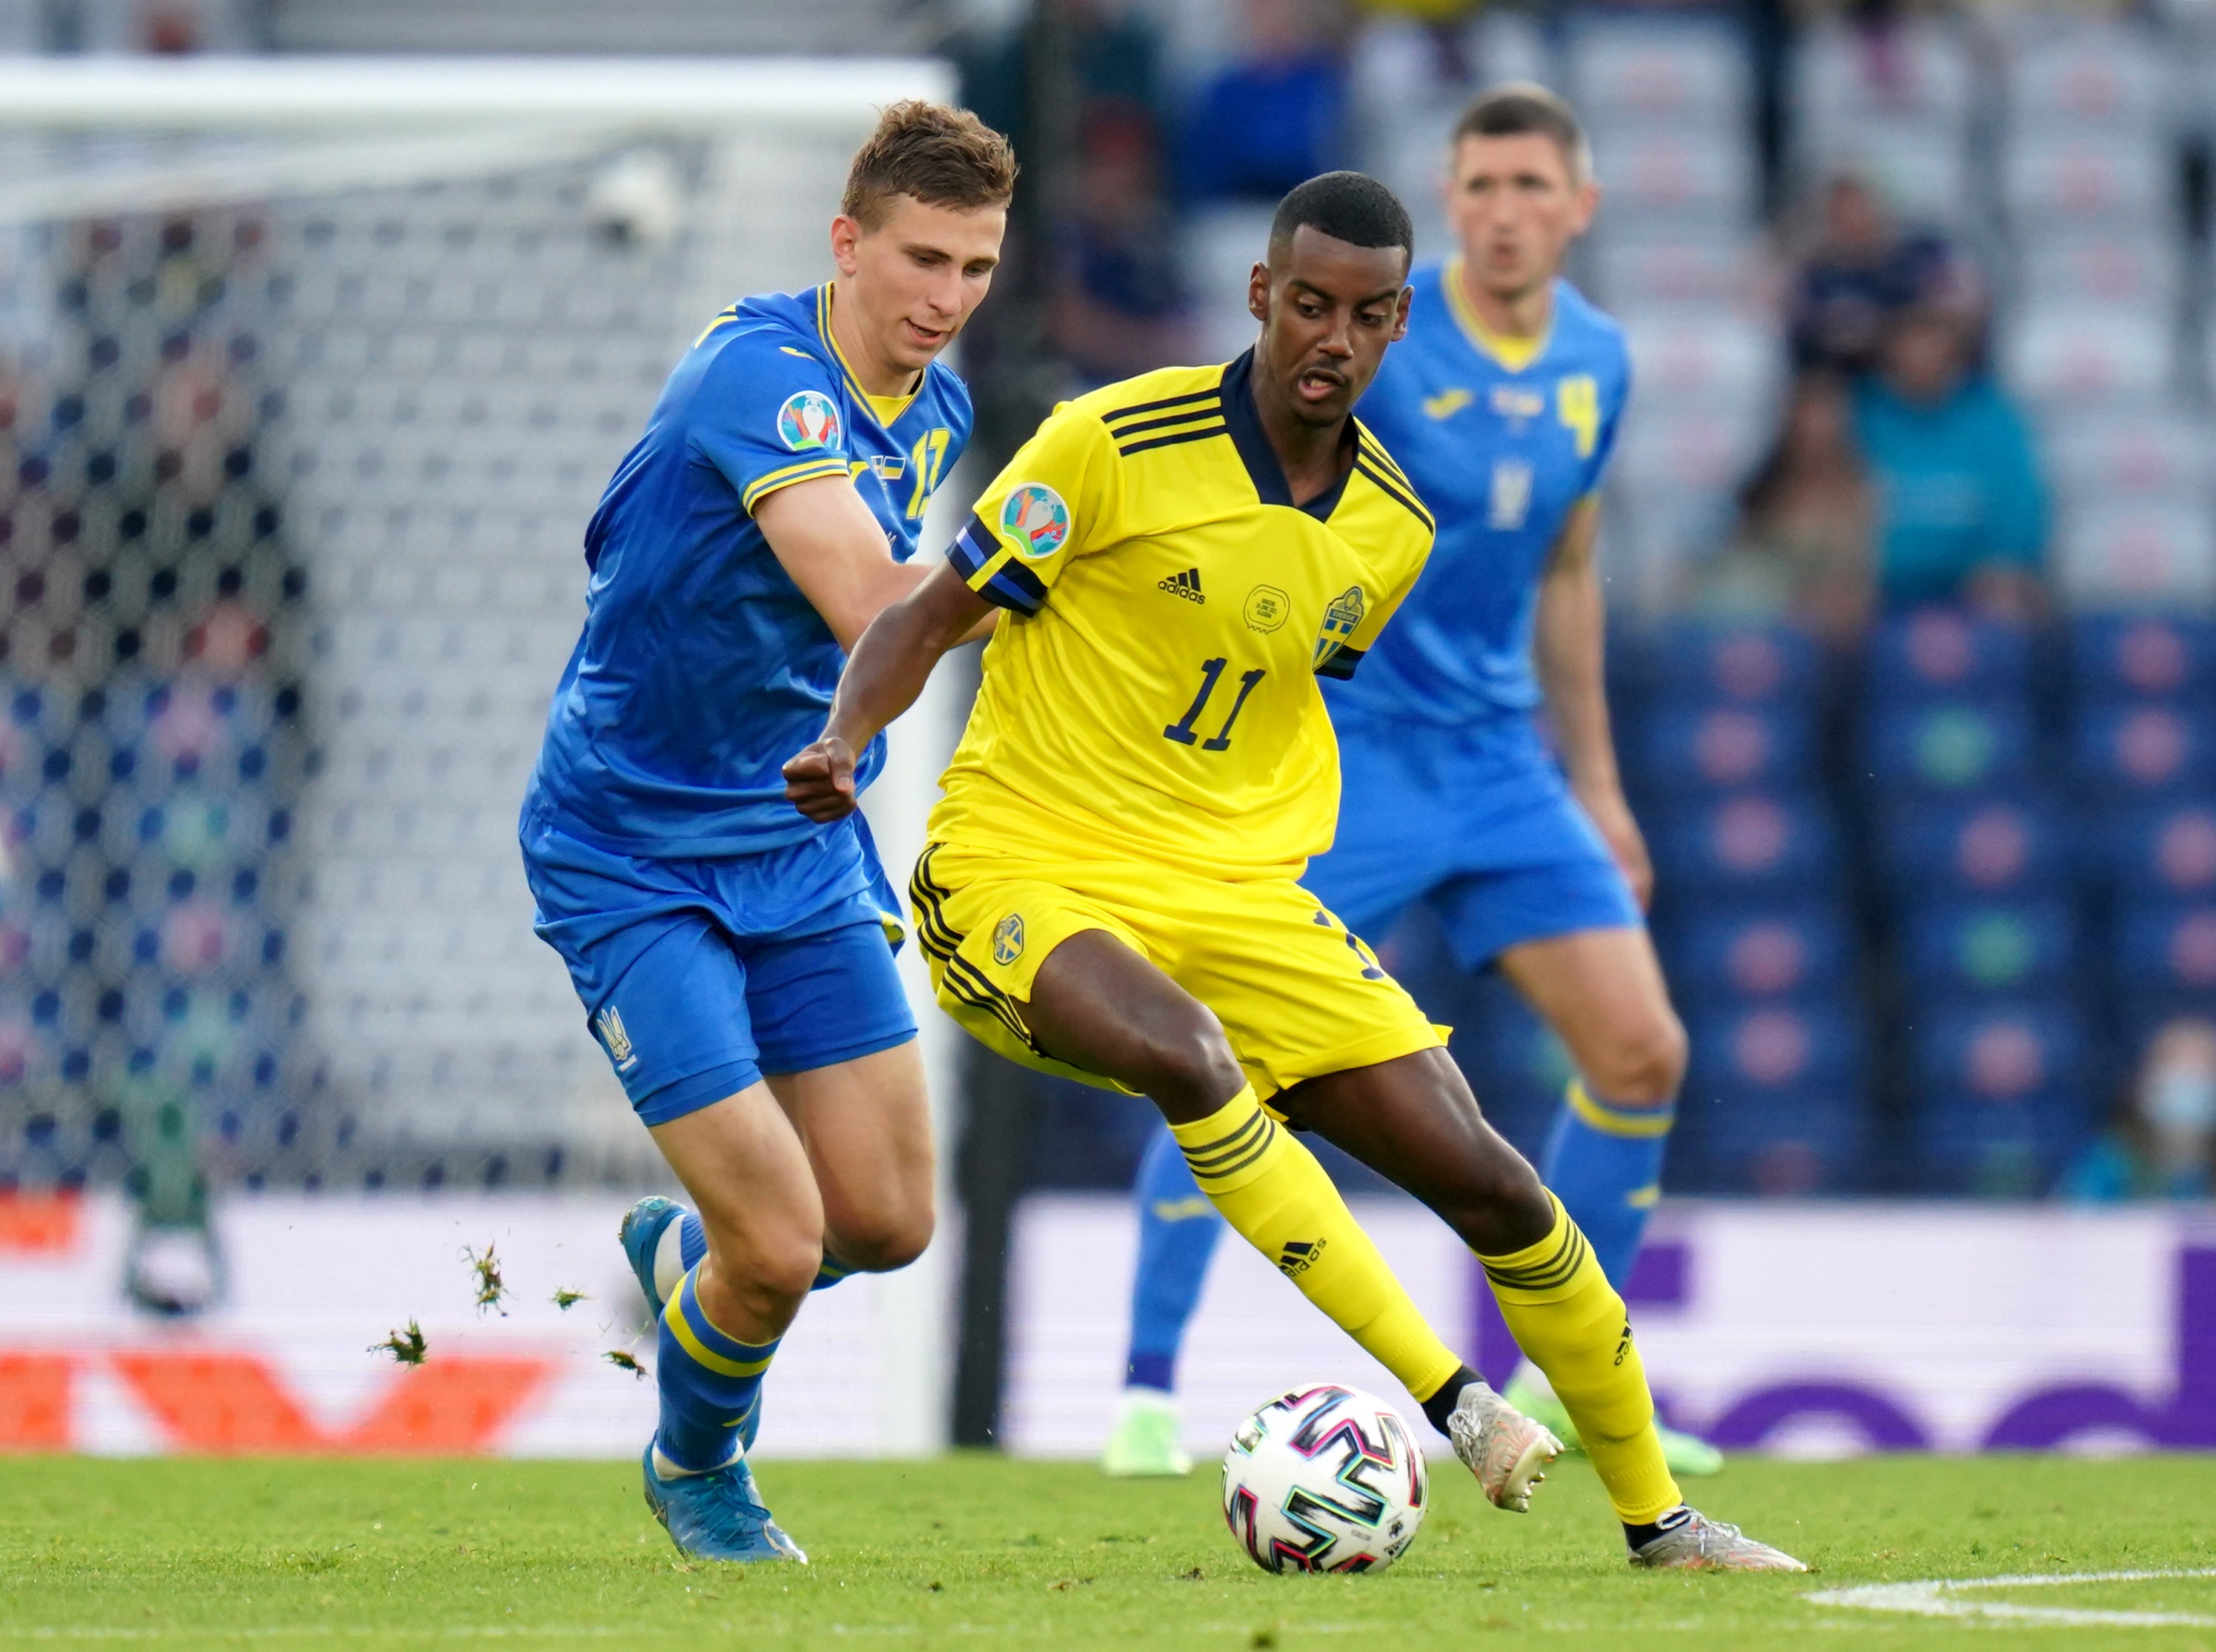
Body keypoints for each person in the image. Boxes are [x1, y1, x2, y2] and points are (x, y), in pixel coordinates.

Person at [786, 170, 1802, 1571]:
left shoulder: (1392, 528)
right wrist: (846, 736)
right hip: (1029, 861)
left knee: (1493, 1181)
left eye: (1367, 314)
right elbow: (928, 613)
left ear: (1400, 327)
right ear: (1262, 294)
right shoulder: (1105, 442)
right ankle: (1451, 1395)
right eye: (1308, 302)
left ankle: (1662, 1517)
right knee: (1191, 1058)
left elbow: (1279, 681)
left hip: (1241, 893)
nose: (1331, 335)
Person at [1101, 84, 1726, 1485]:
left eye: (1531, 186)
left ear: (1580, 207)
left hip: (1503, 765)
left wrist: (1603, 786)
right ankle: (1143, 1390)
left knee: (1641, 1047)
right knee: (1224, 1047)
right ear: (1451, 199)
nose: (1504, 212)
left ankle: (1568, 1375)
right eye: (1481, 185)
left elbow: (1568, 572)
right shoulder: (1372, 324)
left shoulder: (1602, 360)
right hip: (1350, 748)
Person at [517, 102, 1015, 1564]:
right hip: (632, 847)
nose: (947, 299)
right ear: (845, 240)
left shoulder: (937, 408)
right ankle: (701, 1471)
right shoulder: (763, 379)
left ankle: (687, 1261)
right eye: (924, 259)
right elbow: (873, 605)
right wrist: (1063, 579)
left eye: (980, 270)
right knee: (782, 1242)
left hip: (792, 836)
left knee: (886, 1222)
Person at [1854, 296, 2047, 615]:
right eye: (1909, 338)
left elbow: (2020, 502)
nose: (1921, 353)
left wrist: (2005, 560)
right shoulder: (1862, 413)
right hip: (1875, 586)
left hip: (1973, 585)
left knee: (2010, 600)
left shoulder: (1992, 415)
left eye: (1932, 339)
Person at [1691, 372, 1873, 643]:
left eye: (1825, 418)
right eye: (1807, 419)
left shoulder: (1859, 489)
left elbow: (1856, 581)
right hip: (1761, 623)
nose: (1816, 430)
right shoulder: (1759, 488)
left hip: (1827, 631)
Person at [1787, 172, 1960, 378]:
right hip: (1854, 382)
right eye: (1842, 215)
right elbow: (1814, 341)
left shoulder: (1924, 252)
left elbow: (1956, 309)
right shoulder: (1819, 278)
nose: (1855, 221)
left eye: (1860, 209)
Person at [2060, 1018, 2216, 1202]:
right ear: (2147, 1083)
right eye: (2179, 1074)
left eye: (2201, 1077)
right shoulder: (2113, 1160)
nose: (2189, 1088)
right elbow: (2071, 1217)